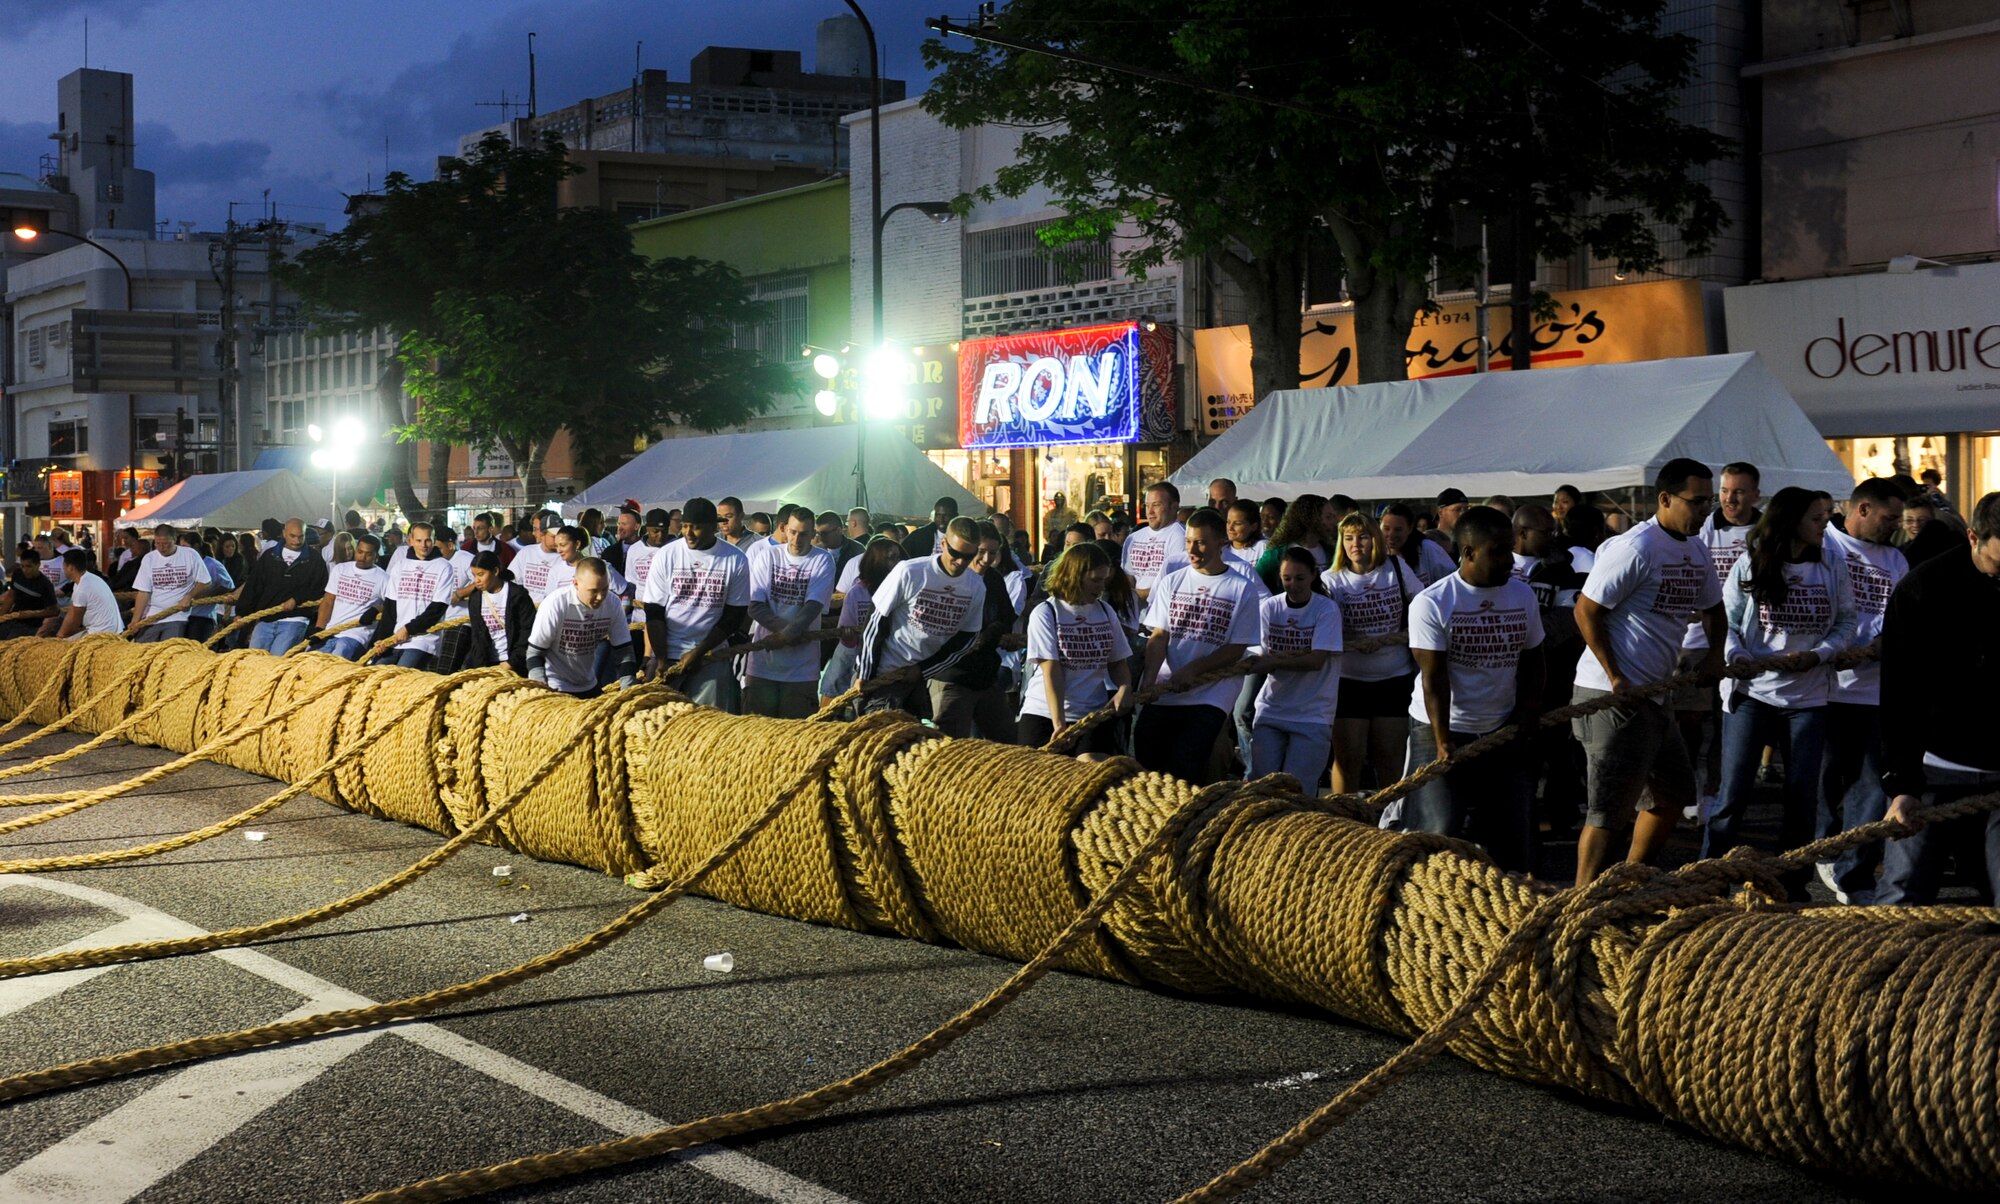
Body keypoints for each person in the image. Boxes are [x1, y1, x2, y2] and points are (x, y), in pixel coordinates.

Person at [1571, 458, 1726, 887]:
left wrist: (1715, 657)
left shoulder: (1696, 548)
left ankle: (1629, 882)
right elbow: (1585, 611)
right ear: (1665, 499)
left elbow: (1714, 609)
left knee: (1672, 795)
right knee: (1610, 811)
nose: (1704, 510)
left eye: (1708, 502)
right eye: (1696, 502)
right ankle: (1581, 902)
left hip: (1655, 696)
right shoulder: (1635, 548)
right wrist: (1615, 675)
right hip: (1612, 697)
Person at [1401, 507, 1545, 873]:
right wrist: (1442, 739)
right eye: (1499, 551)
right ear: (1468, 552)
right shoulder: (1433, 602)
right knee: (1439, 829)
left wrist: (1527, 713)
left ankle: (1510, 898)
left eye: (1510, 549)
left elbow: (1533, 660)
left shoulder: (1522, 595)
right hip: (1440, 726)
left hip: (1502, 726)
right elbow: (1434, 679)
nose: (1510, 559)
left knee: (1513, 831)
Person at [1876, 492, 2000, 906]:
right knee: (1903, 894)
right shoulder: (1923, 589)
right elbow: (1900, 694)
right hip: (1935, 767)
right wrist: (1901, 783)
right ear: (1973, 537)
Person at [1813, 478, 1907, 904]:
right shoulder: (1826, 545)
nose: (1895, 526)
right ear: (1862, 509)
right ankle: (1822, 847)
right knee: (1823, 779)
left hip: (1874, 690)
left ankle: (1855, 874)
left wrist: (1884, 643)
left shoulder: (1895, 559)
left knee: (1871, 785)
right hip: (1826, 687)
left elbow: (1902, 615)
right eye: (1889, 518)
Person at [1133, 508, 1264, 783]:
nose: (1192, 550)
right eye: (1189, 541)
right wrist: (1149, 681)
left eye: (1201, 542)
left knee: (1187, 760)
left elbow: (1236, 648)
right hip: (1168, 686)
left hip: (1211, 692)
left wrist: (1194, 669)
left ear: (1220, 542)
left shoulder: (1241, 587)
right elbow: (1159, 636)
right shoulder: (1173, 581)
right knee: (1146, 753)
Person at [1677, 461, 1762, 819]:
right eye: (1724, 491)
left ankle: (1713, 792)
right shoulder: (1704, 527)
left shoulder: (1765, 533)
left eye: (1739, 492)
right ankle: (1689, 787)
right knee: (1689, 720)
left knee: (1725, 720)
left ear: (1756, 495)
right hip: (1698, 638)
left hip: (1743, 641)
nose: (1730, 499)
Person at [1323, 510, 1424, 794]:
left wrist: (1398, 636)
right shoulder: (1331, 580)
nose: (1356, 544)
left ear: (1375, 539)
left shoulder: (1396, 568)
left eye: (1363, 537)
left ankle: (1389, 815)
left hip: (1393, 678)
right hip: (1349, 681)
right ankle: (1344, 816)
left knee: (1390, 759)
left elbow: (1424, 605)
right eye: (1349, 538)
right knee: (1347, 760)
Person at [857, 516, 988, 715]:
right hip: (885, 672)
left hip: (919, 677)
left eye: (968, 556)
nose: (961, 561)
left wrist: (924, 669)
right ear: (943, 544)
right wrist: (865, 673)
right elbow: (875, 621)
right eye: (955, 553)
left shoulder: (976, 586)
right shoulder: (910, 571)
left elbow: (967, 638)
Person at [1017, 542, 1133, 754]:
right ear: (1074, 576)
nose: (1101, 587)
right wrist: (1059, 723)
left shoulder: (1106, 611)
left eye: (1104, 580)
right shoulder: (1046, 613)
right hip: (1044, 713)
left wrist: (1124, 687)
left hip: (1091, 714)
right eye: (1095, 580)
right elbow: (1052, 671)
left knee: (1093, 768)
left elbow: (1117, 662)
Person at [640, 497, 750, 712]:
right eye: (685, 526)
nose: (688, 533)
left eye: (697, 527)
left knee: (707, 722)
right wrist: (661, 659)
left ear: (713, 527)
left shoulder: (735, 559)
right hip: (667, 653)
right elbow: (654, 612)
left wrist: (699, 652)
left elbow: (733, 616)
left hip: (710, 655)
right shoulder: (666, 555)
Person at [1248, 546, 1342, 791]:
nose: (1293, 585)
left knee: (1298, 788)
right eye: (1286, 578)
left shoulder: (1326, 609)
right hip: (1272, 708)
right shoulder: (1270, 607)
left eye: (1299, 578)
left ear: (1313, 575)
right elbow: (1261, 653)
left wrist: (1274, 662)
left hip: (1313, 713)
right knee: (1262, 785)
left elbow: (1315, 660)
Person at [927, 522, 1020, 740]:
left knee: (1008, 743)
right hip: (951, 676)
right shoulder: (947, 579)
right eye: (981, 552)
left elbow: (1006, 617)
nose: (986, 559)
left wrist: (994, 633)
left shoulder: (993, 579)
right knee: (951, 745)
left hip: (985, 676)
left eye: (993, 553)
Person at [744, 508, 836, 719]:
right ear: (784, 529)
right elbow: (755, 606)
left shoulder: (822, 559)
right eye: (793, 532)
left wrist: (785, 636)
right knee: (756, 730)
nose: (796, 539)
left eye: (803, 534)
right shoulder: (768, 556)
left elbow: (813, 607)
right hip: (763, 664)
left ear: (812, 534)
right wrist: (788, 634)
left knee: (796, 732)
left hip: (802, 669)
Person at [526, 558, 636, 698]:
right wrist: (542, 691)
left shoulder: (613, 603)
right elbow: (534, 654)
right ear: (576, 584)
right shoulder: (556, 604)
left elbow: (624, 652)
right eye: (593, 591)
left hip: (588, 683)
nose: (600, 597)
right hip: (556, 685)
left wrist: (628, 692)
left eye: (604, 589)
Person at [820, 537, 903, 709]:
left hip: (883, 653)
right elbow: (844, 628)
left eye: (898, 557)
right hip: (853, 649)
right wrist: (848, 635)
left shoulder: (901, 591)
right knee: (833, 691)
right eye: (891, 558)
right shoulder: (858, 591)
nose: (897, 563)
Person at [370, 522, 459, 670]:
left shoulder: (444, 567)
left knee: (402, 673)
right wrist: (382, 639)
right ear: (410, 541)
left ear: (433, 540)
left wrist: (409, 629)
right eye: (419, 540)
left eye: (427, 540)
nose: (423, 545)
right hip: (395, 637)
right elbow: (390, 607)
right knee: (377, 671)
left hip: (423, 639)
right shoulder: (400, 566)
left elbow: (437, 608)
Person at [126, 524, 218, 643]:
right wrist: (135, 620)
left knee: (168, 649)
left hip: (177, 615)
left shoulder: (190, 554)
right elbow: (143, 592)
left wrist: (189, 596)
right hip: (151, 615)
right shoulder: (149, 558)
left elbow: (205, 581)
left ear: (174, 540)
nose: (161, 547)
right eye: (157, 543)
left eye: (166, 543)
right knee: (142, 649)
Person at [315, 534, 388, 660]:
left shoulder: (384, 578)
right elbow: (328, 601)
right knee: (309, 660)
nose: (362, 557)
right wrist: (319, 629)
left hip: (355, 635)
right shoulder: (340, 569)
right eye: (360, 552)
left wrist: (377, 609)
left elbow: (393, 605)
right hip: (330, 630)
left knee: (335, 663)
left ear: (376, 556)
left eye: (368, 554)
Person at [464, 551, 535, 675]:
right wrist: (480, 668)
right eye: (474, 575)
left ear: (495, 571)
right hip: (488, 664)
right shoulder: (475, 598)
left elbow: (527, 631)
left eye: (481, 574)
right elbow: (477, 636)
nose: (477, 580)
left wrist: (512, 662)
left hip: (514, 664)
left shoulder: (517, 595)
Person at [1123, 482, 1190, 603]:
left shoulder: (1181, 537)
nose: (1150, 511)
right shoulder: (1133, 538)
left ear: (1174, 507)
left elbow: (1177, 582)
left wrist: (1137, 595)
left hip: (1163, 610)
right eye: (1147, 505)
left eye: (1156, 505)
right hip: (1135, 612)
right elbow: (1128, 577)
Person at [1255, 492, 1333, 591]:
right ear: (1310, 519)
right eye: (1328, 517)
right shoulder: (1277, 553)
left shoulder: (1332, 552)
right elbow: (1257, 583)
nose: (1333, 522)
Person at [1378, 502, 1456, 586]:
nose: (1391, 535)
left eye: (1398, 530)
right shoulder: (1374, 554)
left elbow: (1452, 581)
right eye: (1386, 528)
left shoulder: (1427, 549)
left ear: (1410, 529)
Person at [56, 549, 123, 639]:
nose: (63, 569)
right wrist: (61, 634)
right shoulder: (91, 578)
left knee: (64, 644)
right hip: (111, 629)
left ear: (70, 567)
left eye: (64, 566)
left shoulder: (82, 587)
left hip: (102, 633)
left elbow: (74, 621)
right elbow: (72, 611)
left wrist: (60, 636)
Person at [184, 537, 236, 644]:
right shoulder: (181, 563)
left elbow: (228, 585)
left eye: (184, 547)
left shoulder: (212, 564)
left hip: (202, 616)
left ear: (196, 546)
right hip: (181, 615)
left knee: (197, 648)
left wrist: (207, 595)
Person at [511, 511, 565, 605]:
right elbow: (513, 582)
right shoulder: (526, 553)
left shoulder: (566, 557)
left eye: (536, 529)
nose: (534, 533)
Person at [901, 496, 961, 560]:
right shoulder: (918, 537)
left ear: (956, 516)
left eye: (946, 515)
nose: (941, 519)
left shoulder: (964, 537)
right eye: (938, 515)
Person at [814, 510, 866, 580]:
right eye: (818, 534)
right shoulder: (815, 552)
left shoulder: (857, 550)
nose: (821, 538)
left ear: (838, 531)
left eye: (825, 533)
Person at [1426, 488, 1470, 556]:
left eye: (1466, 509)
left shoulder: (1469, 540)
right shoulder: (1428, 540)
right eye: (1457, 509)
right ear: (1441, 513)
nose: (1463, 514)